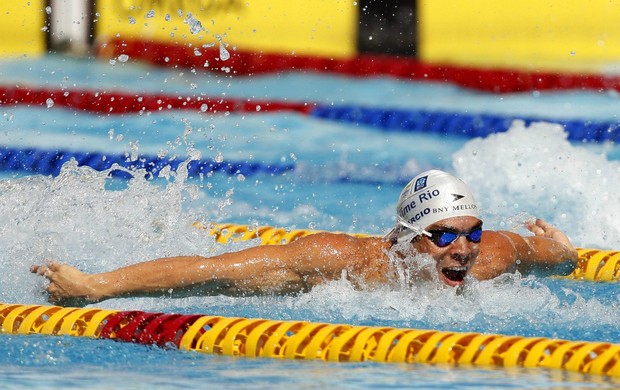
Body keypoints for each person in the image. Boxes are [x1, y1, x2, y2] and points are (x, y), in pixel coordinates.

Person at [31, 169, 578, 305]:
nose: (462, 249)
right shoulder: (341, 261)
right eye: (443, 237)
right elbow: (211, 267)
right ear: (408, 237)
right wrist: (97, 285)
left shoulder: (488, 257)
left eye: (470, 233)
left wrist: (566, 252)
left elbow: (545, 253)